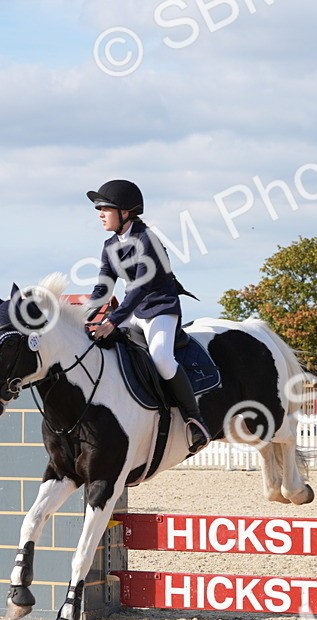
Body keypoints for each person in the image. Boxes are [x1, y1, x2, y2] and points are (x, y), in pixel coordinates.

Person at [85, 179, 208, 453]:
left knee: (163, 359)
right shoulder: (109, 245)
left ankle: (195, 420)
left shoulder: (147, 240)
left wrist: (113, 321)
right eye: (99, 209)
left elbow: (140, 288)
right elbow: (104, 288)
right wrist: (84, 315)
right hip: (134, 309)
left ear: (126, 212)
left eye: (105, 208)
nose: (100, 214)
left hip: (160, 308)